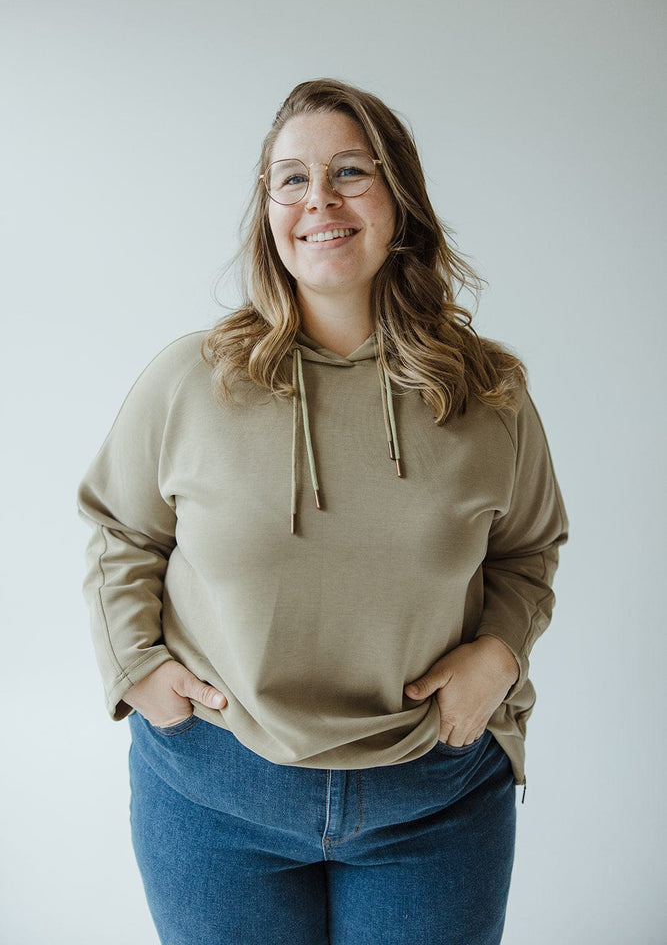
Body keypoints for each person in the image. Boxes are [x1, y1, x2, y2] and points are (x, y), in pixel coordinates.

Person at [78, 78, 568, 945]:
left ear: (399, 201)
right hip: (214, 792)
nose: (321, 201)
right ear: (267, 209)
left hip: (433, 793)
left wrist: (497, 652)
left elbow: (528, 551)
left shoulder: (488, 391)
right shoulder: (192, 379)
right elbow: (121, 529)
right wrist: (136, 668)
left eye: (350, 171)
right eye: (291, 179)